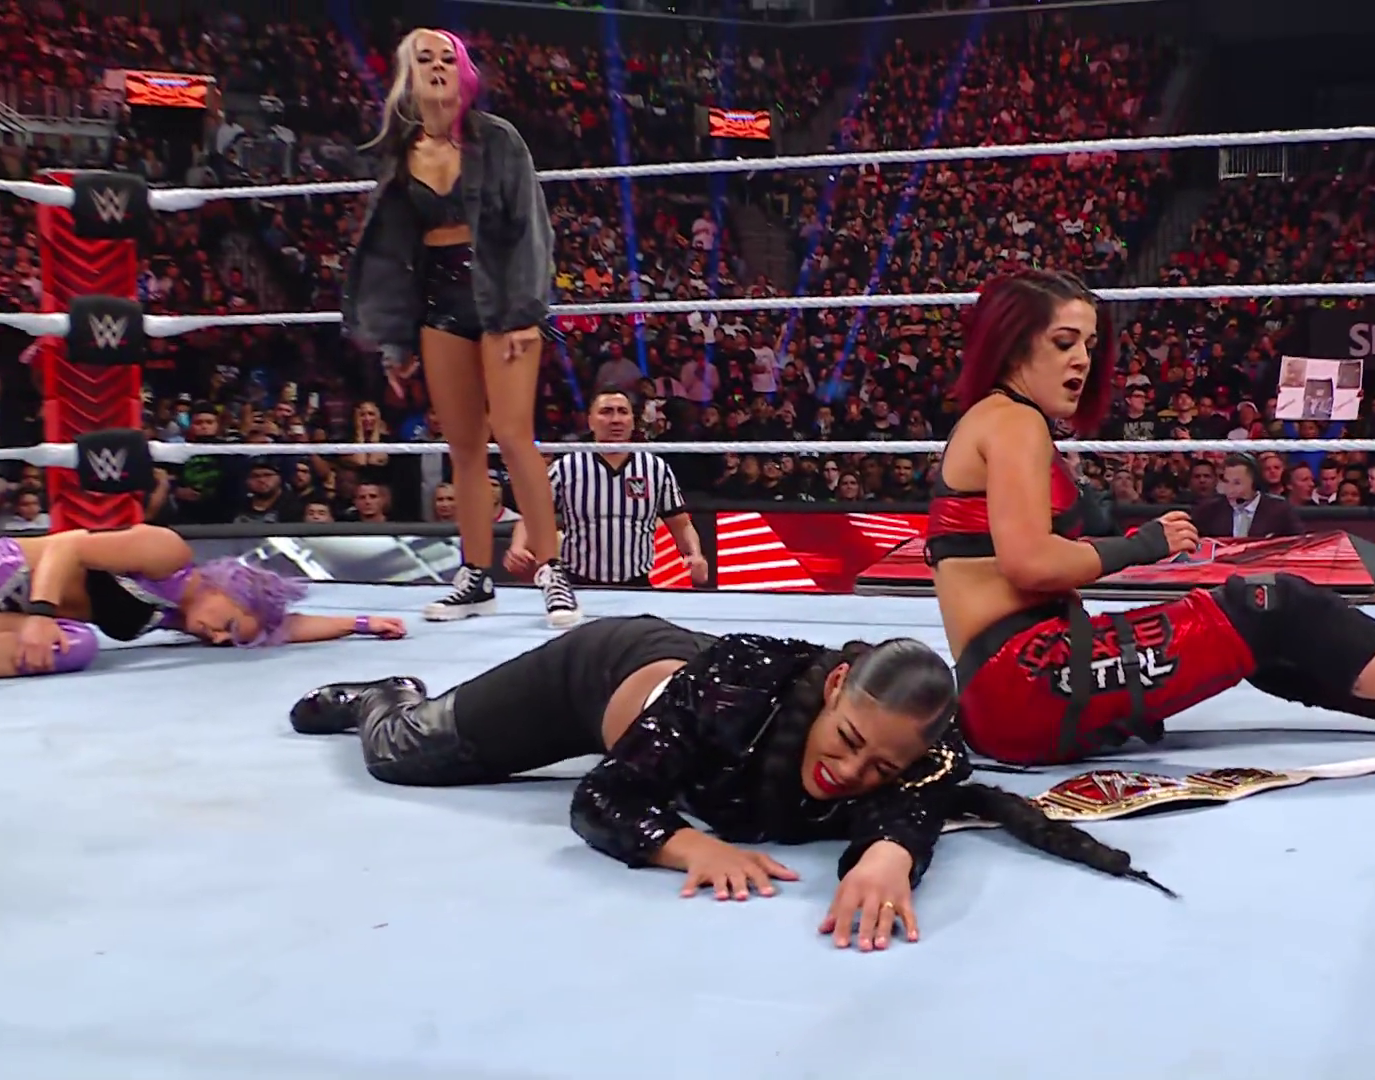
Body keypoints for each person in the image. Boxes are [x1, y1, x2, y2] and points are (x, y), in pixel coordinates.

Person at [927, 269, 1375, 768]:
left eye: (1087, 342)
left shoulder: (998, 423)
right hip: (1028, 683)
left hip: (1017, 687)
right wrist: (1140, 545)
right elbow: (1030, 563)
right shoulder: (1013, 424)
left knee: (1250, 632)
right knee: (1268, 603)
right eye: (1063, 342)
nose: (1082, 359)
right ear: (1015, 344)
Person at [289, 617, 1169, 951]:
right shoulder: (733, 693)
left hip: (687, 678)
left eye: (881, 766)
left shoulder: (915, 751)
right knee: (399, 752)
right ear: (836, 688)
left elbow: (931, 783)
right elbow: (603, 800)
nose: (851, 773)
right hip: (596, 677)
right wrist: (690, 846)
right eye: (848, 741)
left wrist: (890, 854)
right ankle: (384, 692)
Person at [341, 27, 563, 626]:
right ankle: (475, 575)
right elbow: (389, 253)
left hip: (502, 301)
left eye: (448, 58)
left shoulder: (498, 140)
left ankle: (552, 570)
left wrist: (526, 311)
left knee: (513, 435)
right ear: (408, 75)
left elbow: (532, 227)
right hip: (439, 303)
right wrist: (395, 340)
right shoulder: (399, 153)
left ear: (464, 72)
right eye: (425, 59)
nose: (438, 66)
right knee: (463, 447)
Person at [0, 525, 405, 682]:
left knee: (79, 646)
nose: (217, 638)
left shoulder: (179, 615)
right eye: (227, 626)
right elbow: (67, 546)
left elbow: (285, 626)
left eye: (227, 640)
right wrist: (42, 614)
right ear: (228, 590)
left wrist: (361, 623)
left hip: (0, 621)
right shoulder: (168, 554)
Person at [505, 388, 707, 622]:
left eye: (622, 412)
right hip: (578, 586)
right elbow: (532, 515)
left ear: (633, 421)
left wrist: (695, 555)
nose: (615, 419)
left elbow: (681, 523)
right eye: (606, 412)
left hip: (638, 586)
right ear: (590, 421)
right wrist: (518, 547)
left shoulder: (654, 468)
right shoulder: (567, 466)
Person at [1189, 453, 1304, 539]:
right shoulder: (1207, 510)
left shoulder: (1280, 510)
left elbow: (1297, 545)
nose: (1230, 489)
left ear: (1254, 483)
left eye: (1237, 483)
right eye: (1226, 482)